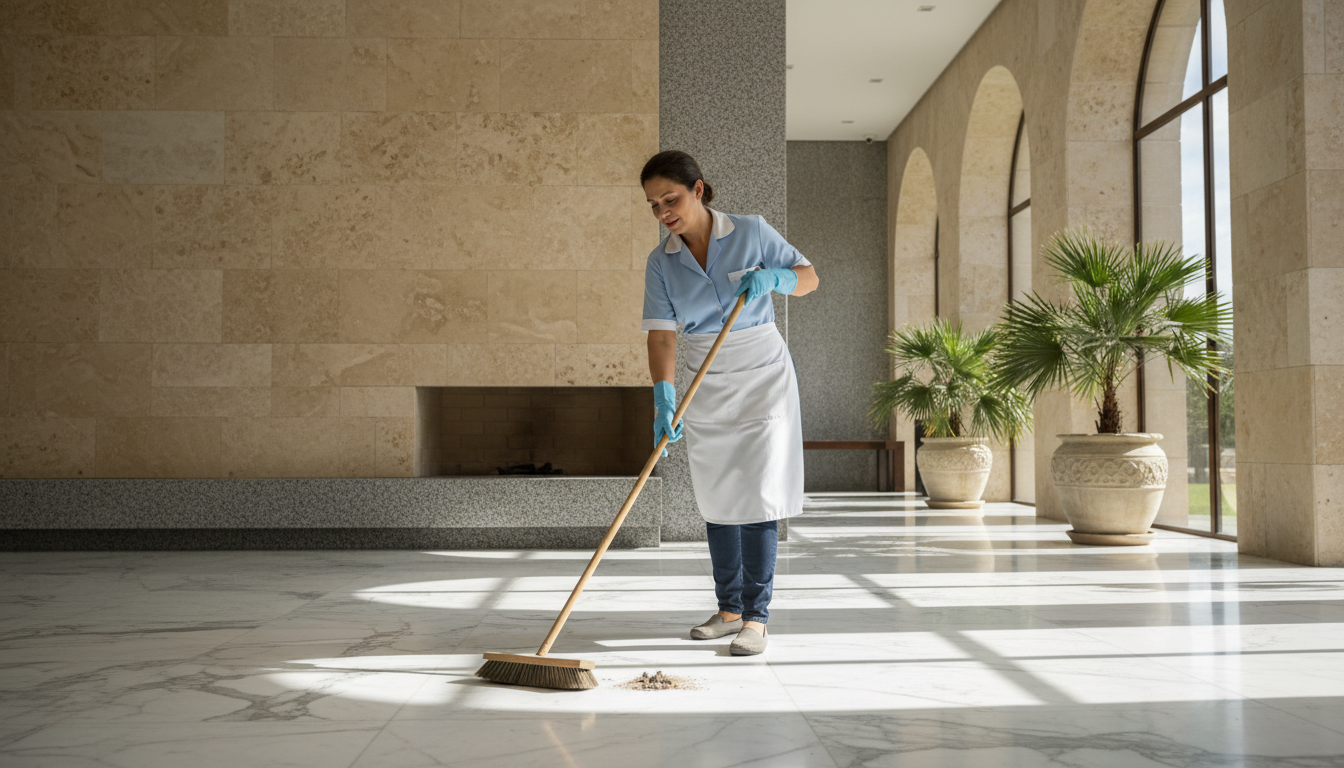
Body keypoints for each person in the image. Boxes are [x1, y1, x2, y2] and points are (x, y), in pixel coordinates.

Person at [640, 150, 819, 656]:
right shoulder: (661, 263)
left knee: (759, 492)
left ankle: (757, 619)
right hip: (704, 375)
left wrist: (778, 279)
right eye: (653, 205)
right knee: (718, 493)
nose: (663, 212)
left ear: (698, 189)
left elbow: (809, 277)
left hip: (760, 368)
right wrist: (663, 396)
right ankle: (728, 610)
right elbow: (660, 336)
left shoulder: (752, 231)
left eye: (670, 198)